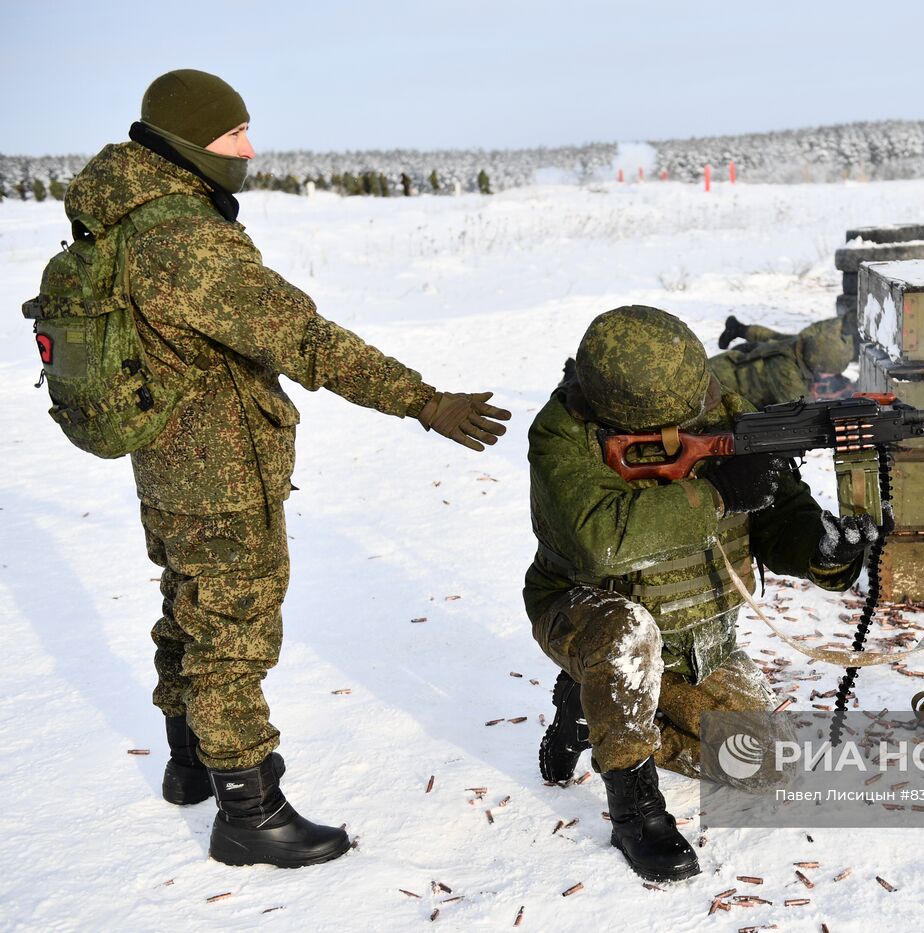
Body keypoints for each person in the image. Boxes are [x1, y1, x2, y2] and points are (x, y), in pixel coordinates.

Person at [59, 69, 511, 868]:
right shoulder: (186, 241)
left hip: (166, 458)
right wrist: (424, 401)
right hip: (222, 469)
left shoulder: (127, 216)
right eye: (234, 135)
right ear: (187, 140)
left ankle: (192, 761)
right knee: (232, 631)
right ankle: (249, 812)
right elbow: (305, 337)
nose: (249, 149)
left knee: (189, 604)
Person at [526, 306, 878, 882]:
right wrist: (713, 496)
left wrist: (823, 550)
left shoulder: (723, 412)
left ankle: (598, 710)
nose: (700, 412)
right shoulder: (562, 434)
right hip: (584, 613)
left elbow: (776, 515)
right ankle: (633, 803)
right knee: (624, 633)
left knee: (768, 766)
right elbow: (599, 541)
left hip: (694, 637)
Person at [710, 314, 856, 407]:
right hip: (716, 384)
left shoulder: (803, 346)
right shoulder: (785, 369)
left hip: (730, 379)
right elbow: (803, 412)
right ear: (818, 365)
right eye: (830, 374)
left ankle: (738, 329)